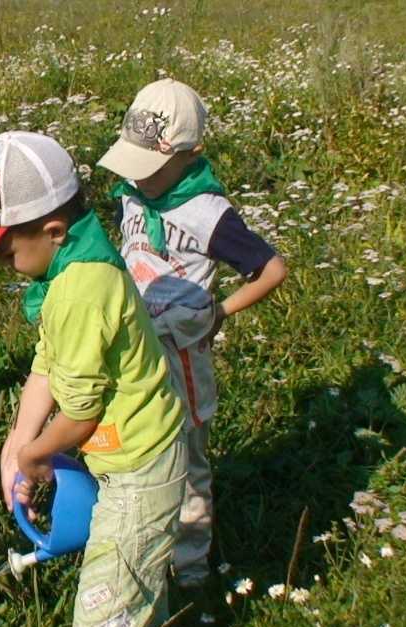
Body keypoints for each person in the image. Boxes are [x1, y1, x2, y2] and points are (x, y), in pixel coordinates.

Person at [0, 131, 186, 627]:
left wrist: (34, 458)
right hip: (130, 461)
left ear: (52, 231)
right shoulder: (71, 267)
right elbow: (47, 365)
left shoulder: (79, 292)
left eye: (2, 250)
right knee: (133, 583)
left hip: (141, 473)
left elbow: (79, 416)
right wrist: (17, 442)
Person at [97, 78, 287, 588]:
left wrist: (219, 312)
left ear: (192, 153)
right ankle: (138, 540)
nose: (142, 177)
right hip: (134, 348)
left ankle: (190, 567)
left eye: (154, 167)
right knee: (138, 445)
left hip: (180, 354)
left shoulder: (207, 213)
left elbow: (271, 269)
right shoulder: (132, 196)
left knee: (186, 456)